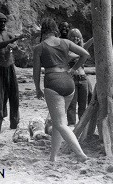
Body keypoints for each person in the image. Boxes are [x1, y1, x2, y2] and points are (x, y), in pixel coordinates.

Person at [33, 18, 89, 162]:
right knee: (59, 121)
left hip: (53, 82)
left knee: (59, 123)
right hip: (68, 81)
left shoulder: (40, 47)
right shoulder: (66, 42)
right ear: (55, 29)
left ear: (43, 30)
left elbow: (36, 72)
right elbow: (85, 54)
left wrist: (38, 89)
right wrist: (73, 69)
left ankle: (80, 154)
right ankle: (53, 157)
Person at [0, 13, 27, 133]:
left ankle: (14, 123)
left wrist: (15, 45)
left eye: (4, 22)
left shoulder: (8, 34)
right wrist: (13, 40)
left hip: (9, 66)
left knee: (14, 95)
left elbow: (14, 47)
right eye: (0, 22)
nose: (2, 24)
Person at [66, 28, 93, 126]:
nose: (75, 39)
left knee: (83, 105)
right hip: (71, 79)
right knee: (72, 104)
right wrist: (81, 55)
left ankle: (82, 124)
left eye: (78, 37)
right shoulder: (66, 48)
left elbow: (89, 43)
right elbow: (69, 56)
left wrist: (95, 37)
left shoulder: (82, 48)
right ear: (69, 37)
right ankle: (72, 124)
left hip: (83, 79)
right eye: (73, 36)